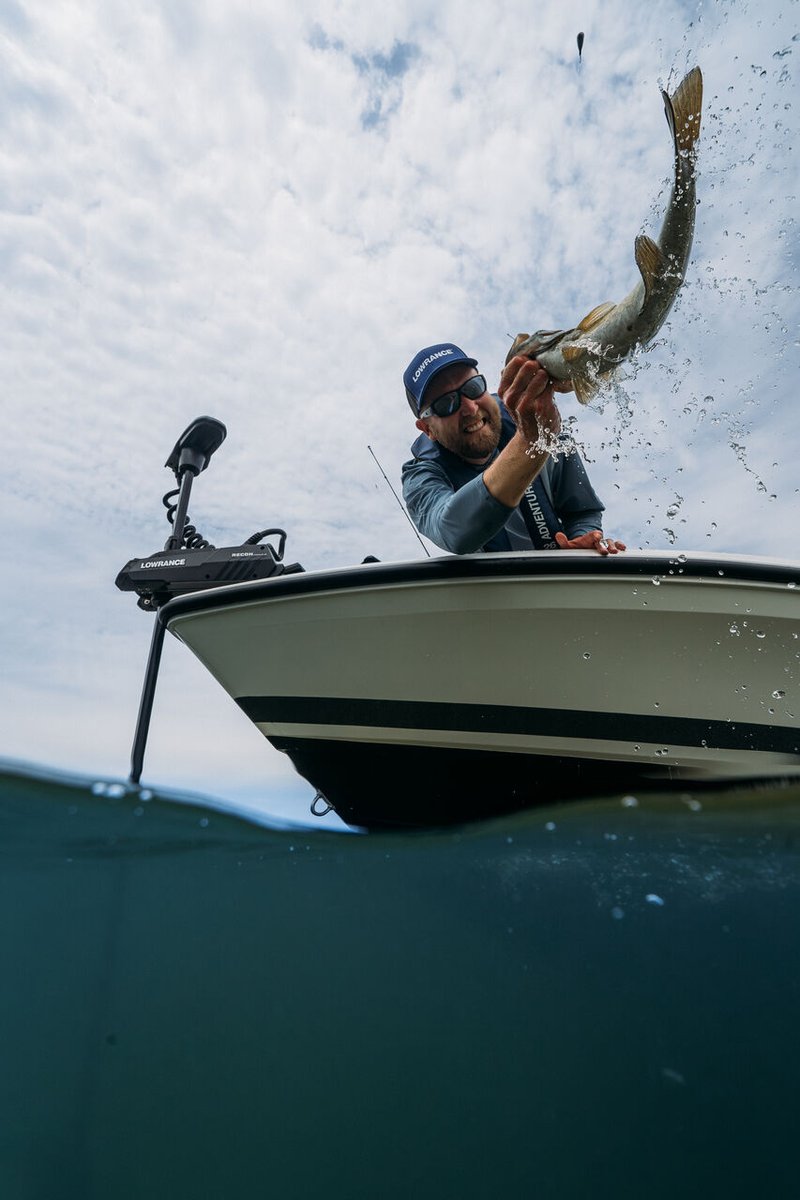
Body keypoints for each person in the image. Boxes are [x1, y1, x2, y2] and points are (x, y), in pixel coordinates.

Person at [401, 342, 626, 555]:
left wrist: (584, 543)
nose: (470, 407)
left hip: (560, 577)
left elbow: (581, 510)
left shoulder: (529, 415)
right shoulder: (420, 477)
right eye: (445, 404)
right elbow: (451, 531)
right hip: (492, 590)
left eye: (473, 387)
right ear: (426, 428)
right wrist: (530, 443)